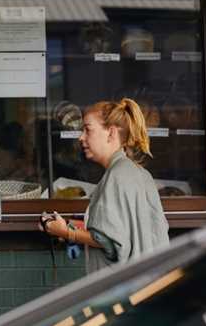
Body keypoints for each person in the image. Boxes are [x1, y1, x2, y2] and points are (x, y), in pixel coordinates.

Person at [38, 98, 169, 273]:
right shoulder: (140, 173)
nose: (81, 137)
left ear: (111, 133)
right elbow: (121, 229)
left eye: (87, 129)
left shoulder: (116, 176)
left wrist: (66, 232)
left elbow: (108, 241)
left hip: (121, 288)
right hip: (149, 283)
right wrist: (69, 225)